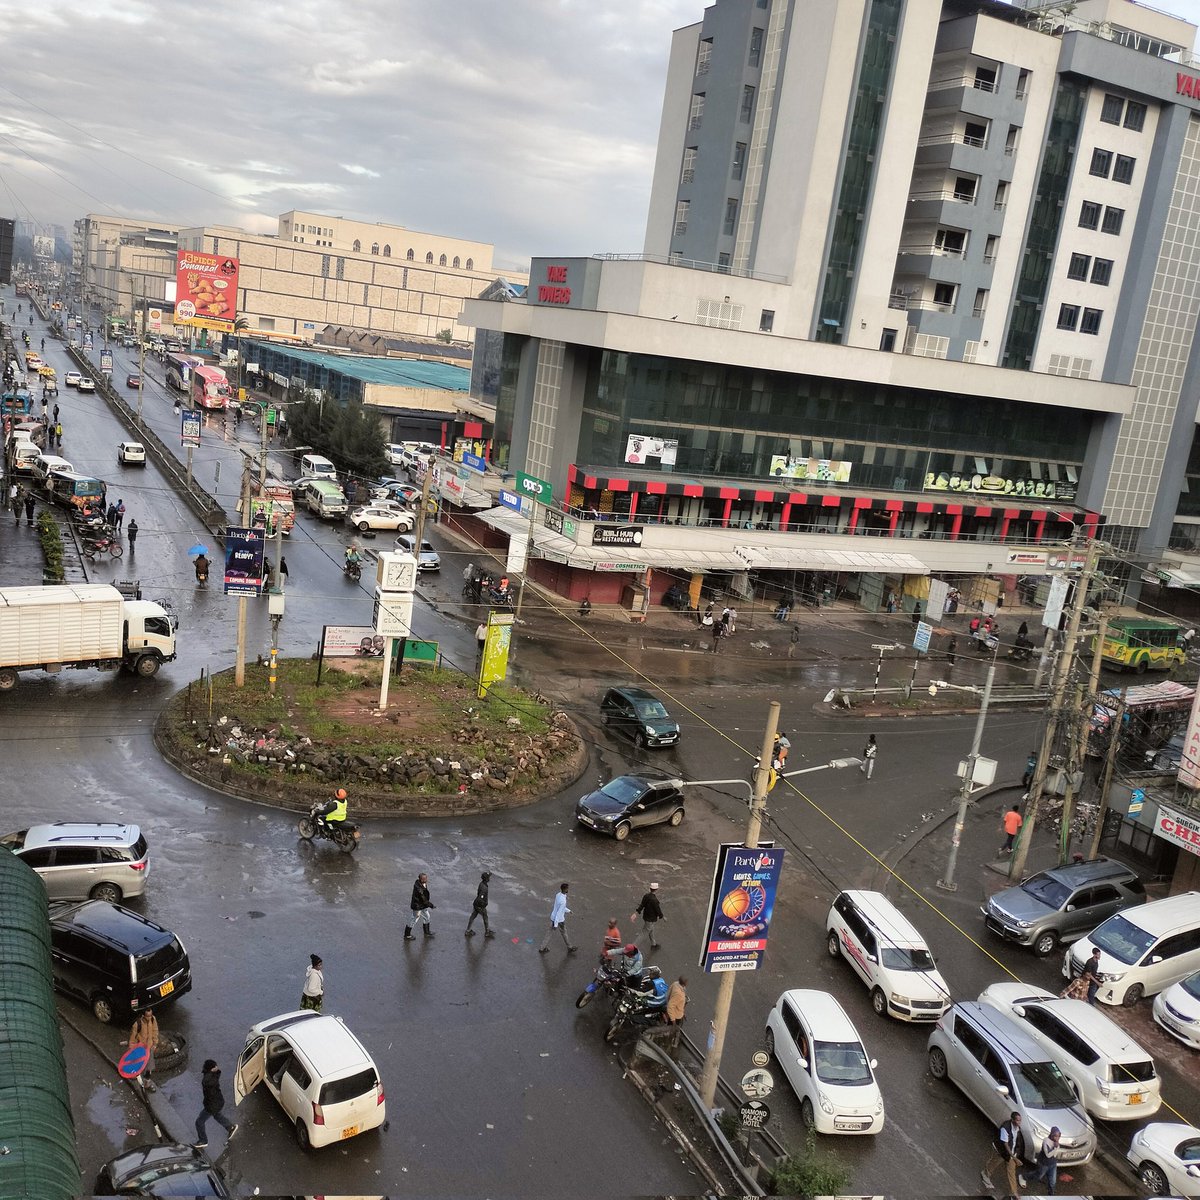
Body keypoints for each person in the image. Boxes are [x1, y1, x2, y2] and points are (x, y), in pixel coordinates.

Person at [193, 1058, 238, 1149]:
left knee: (199, 1122)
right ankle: (230, 1127)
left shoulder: (208, 1080)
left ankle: (203, 1141)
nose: (217, 1067)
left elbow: (207, 1087)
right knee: (217, 1115)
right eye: (215, 1066)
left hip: (212, 1105)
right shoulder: (215, 1075)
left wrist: (208, 1106)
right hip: (219, 1101)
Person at [982, 1111, 1027, 1197]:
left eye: (1020, 1120)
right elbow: (1006, 1145)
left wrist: (1015, 1154)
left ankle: (1014, 1192)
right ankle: (985, 1174)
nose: (1019, 1122)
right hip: (1001, 1151)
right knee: (993, 1164)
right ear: (1012, 1119)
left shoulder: (1017, 1128)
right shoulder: (1005, 1128)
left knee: (1012, 1172)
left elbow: (1016, 1141)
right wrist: (1015, 1158)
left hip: (1011, 1153)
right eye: (1017, 1120)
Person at [538, 881, 577, 954]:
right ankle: (570, 947)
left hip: (553, 917)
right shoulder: (563, 901)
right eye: (567, 888)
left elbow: (558, 908)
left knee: (548, 934)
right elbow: (559, 913)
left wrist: (568, 911)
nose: (568, 890)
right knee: (564, 933)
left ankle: (542, 948)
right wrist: (556, 924)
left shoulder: (558, 895)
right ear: (565, 889)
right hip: (559, 920)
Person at [128, 1010, 159, 1092]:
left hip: (149, 1048)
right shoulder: (137, 1024)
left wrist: (155, 1043)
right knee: (137, 1063)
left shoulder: (153, 1019)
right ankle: (134, 1075)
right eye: (147, 1016)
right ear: (143, 1015)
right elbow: (133, 1037)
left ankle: (147, 1084)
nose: (149, 1018)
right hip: (140, 1049)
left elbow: (155, 1031)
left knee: (149, 1068)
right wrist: (132, 1047)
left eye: (150, 1015)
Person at [1028, 1126, 1062, 1194]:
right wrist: (1055, 1148)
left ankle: (1051, 1195)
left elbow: (1055, 1155)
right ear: (1051, 1134)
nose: (1057, 1138)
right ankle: (1025, 1176)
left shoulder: (1056, 1141)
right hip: (1044, 1164)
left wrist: (1056, 1148)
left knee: (1053, 1182)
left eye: (1058, 1136)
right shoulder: (1046, 1141)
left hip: (1052, 1164)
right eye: (1055, 1136)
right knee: (1038, 1176)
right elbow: (1048, 1155)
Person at [632, 882, 664, 950]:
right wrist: (662, 917)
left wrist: (636, 913)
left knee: (651, 930)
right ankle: (632, 947)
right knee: (644, 933)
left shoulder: (646, 896)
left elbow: (642, 905)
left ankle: (653, 944)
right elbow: (658, 910)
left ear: (650, 888)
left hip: (646, 917)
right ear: (656, 889)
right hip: (651, 919)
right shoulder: (655, 900)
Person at [405, 872, 435, 940]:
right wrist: (431, 905)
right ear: (421, 879)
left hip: (422, 905)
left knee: (427, 916)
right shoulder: (419, 889)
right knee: (414, 919)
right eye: (425, 879)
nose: (426, 880)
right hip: (418, 906)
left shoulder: (422, 884)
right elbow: (423, 899)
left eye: (426, 878)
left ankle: (426, 932)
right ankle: (407, 935)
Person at [465, 871, 494, 937]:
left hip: (476, 904)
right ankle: (487, 932)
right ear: (486, 879)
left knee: (473, 916)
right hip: (479, 906)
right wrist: (482, 906)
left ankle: (468, 931)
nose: (490, 878)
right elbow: (480, 898)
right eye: (489, 877)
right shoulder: (484, 888)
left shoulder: (481, 884)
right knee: (485, 917)